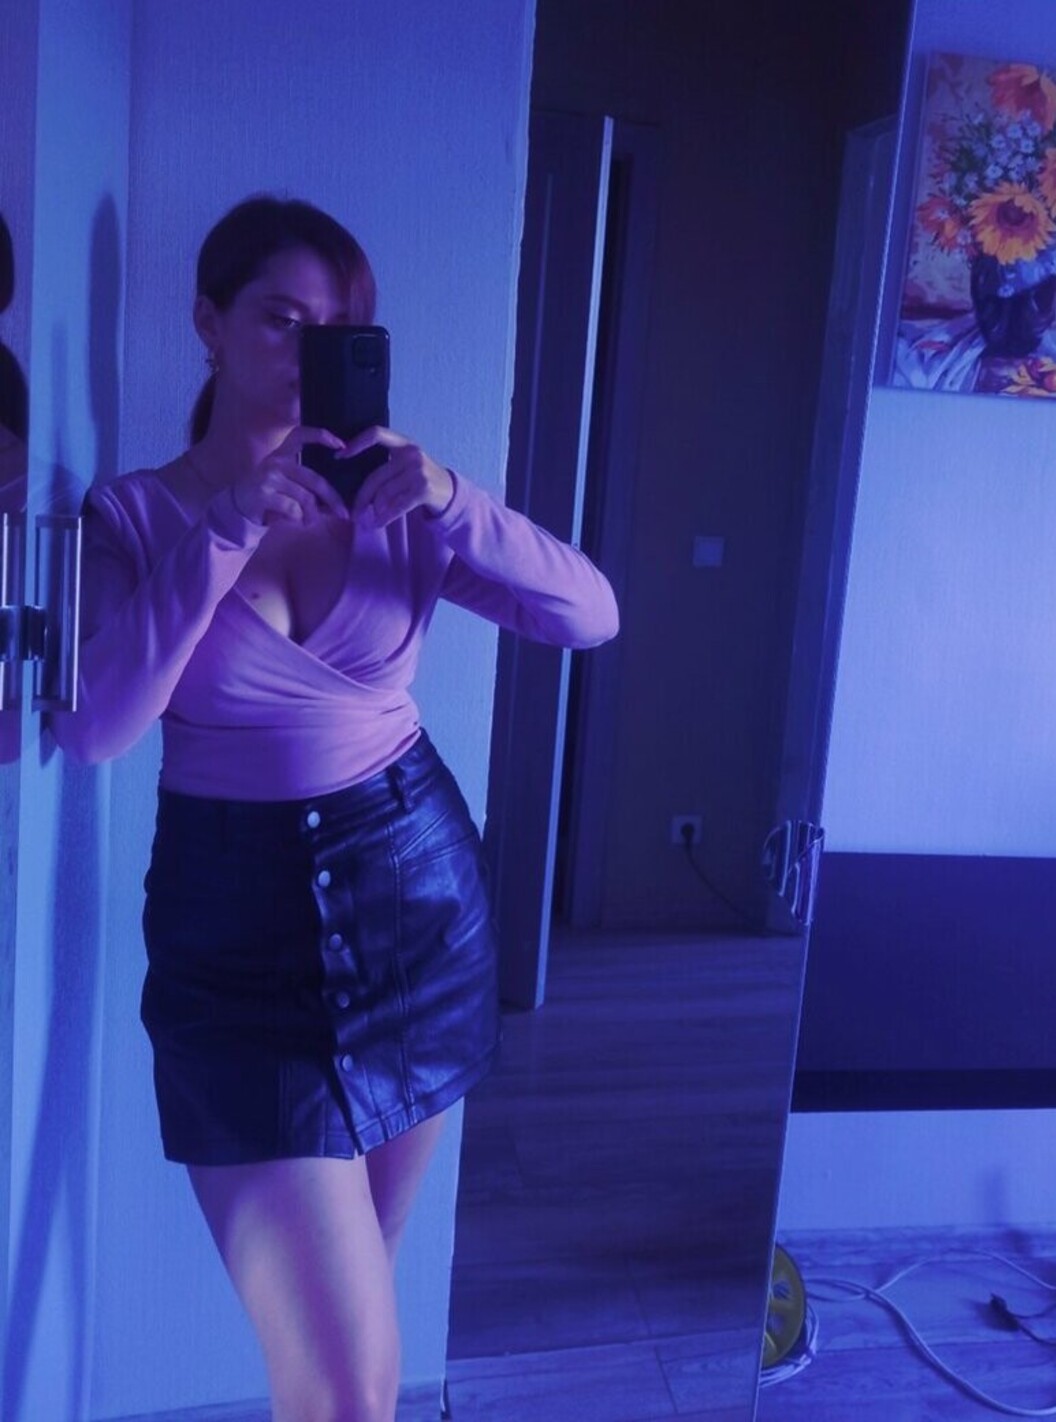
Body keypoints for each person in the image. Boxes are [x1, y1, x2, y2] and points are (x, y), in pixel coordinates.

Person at [52, 194, 618, 1422]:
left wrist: (455, 496)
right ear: (207, 322)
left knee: (350, 1372)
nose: (306, 351)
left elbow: (590, 614)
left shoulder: (394, 509)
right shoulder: (133, 517)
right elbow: (96, 728)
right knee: (349, 1391)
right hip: (237, 950)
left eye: (337, 329)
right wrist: (223, 533)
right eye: (280, 320)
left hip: (417, 910)